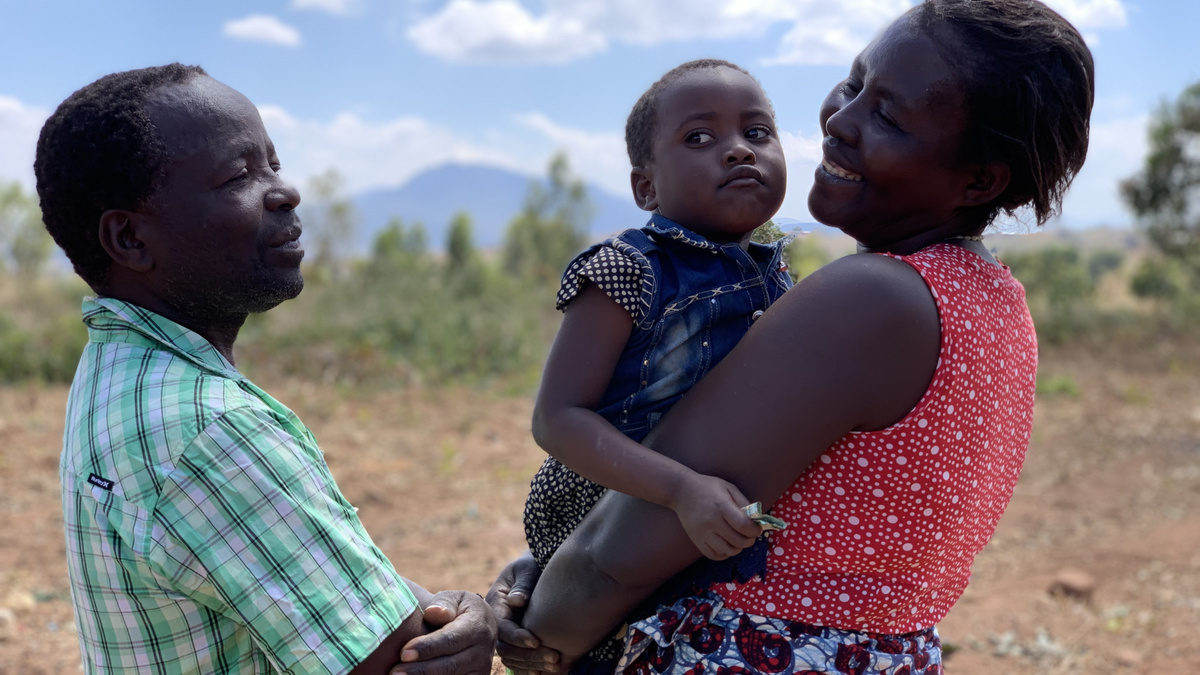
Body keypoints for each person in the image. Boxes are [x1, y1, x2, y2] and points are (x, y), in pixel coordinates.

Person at [489, 0, 1094, 673]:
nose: (840, 119)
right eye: (854, 82)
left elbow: (619, 555)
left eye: (887, 115)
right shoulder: (995, 300)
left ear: (978, 179)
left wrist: (538, 635)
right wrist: (548, 559)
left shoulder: (868, 298)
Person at [37, 64, 496, 675]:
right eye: (238, 175)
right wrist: (473, 626)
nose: (285, 191)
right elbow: (401, 660)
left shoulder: (120, 374)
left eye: (272, 164)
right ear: (129, 239)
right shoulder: (213, 430)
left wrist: (439, 609)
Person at [524, 58, 791, 575]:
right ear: (646, 188)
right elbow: (556, 421)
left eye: (756, 132)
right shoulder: (629, 268)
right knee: (601, 649)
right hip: (603, 510)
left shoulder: (776, 273)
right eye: (698, 138)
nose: (738, 149)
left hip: (713, 509)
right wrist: (679, 490)